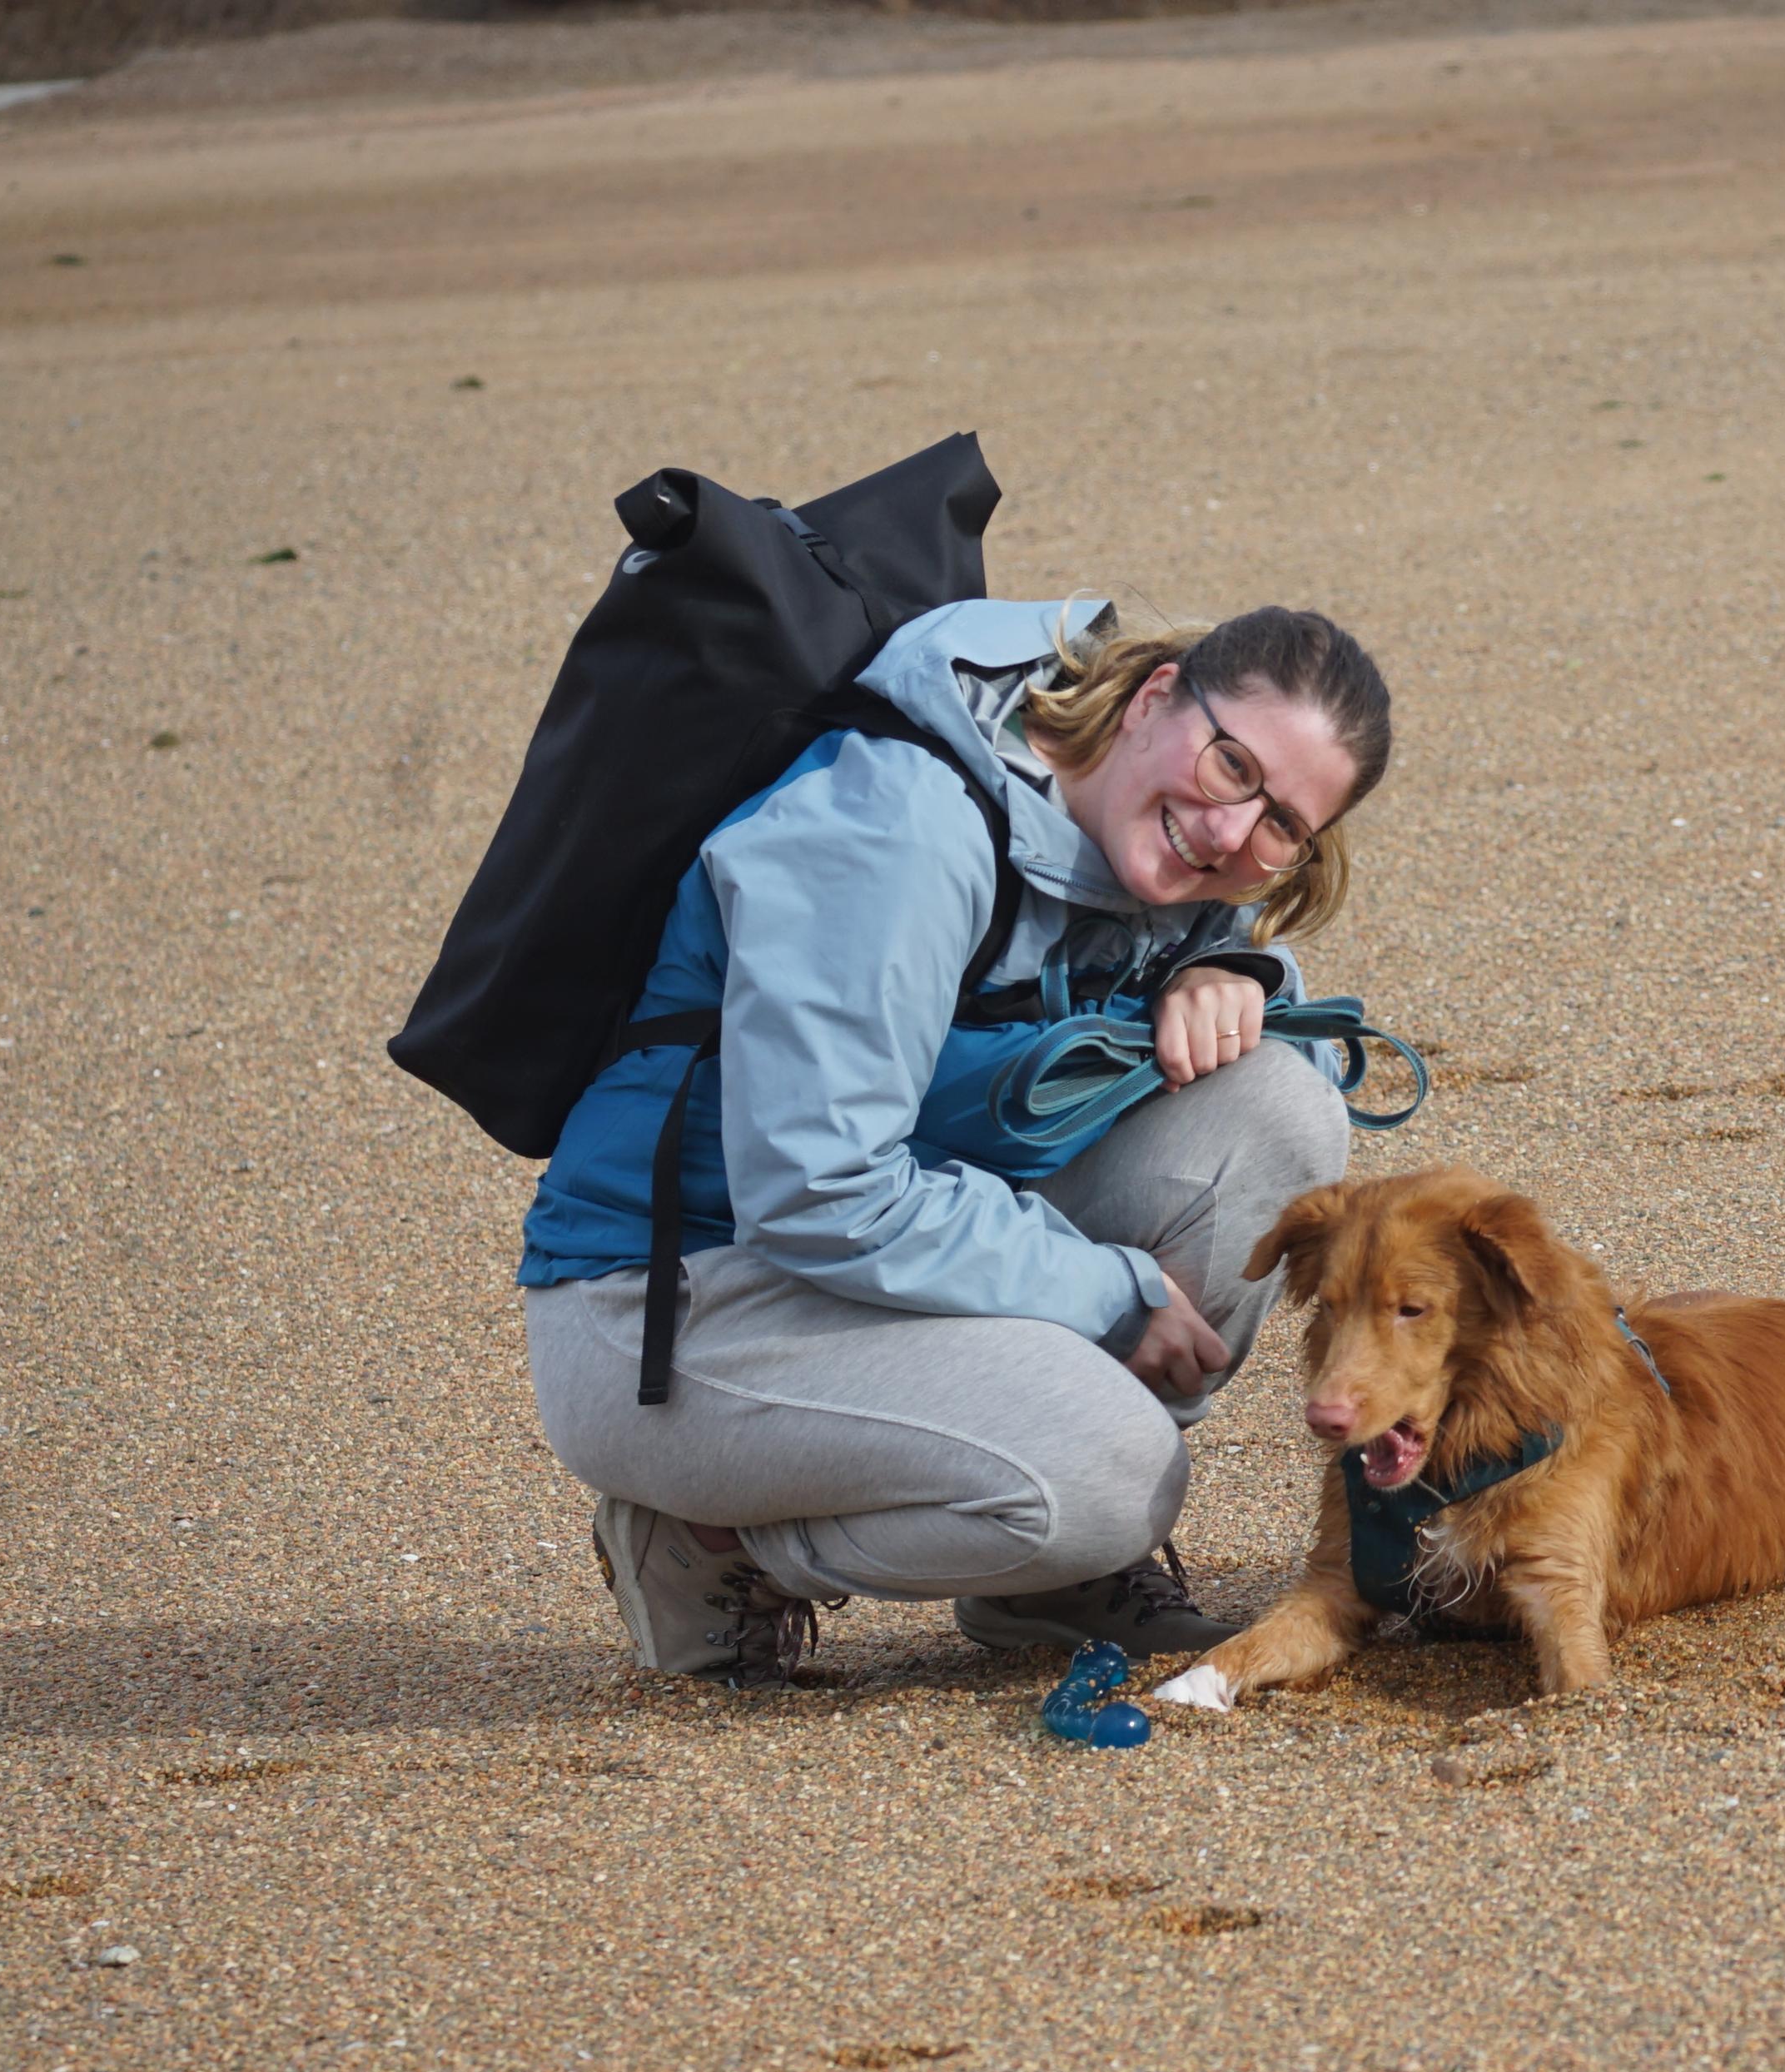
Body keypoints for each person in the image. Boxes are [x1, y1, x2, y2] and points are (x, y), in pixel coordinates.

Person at [515, 595, 1392, 1687]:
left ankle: (1044, 1573)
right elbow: (818, 1192)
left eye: (1282, 827)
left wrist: (1236, 975)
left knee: (1280, 1105)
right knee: (1115, 1473)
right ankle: (709, 1545)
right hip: (668, 1302)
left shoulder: (1150, 855)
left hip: (877, 1266)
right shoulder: (900, 825)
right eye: (1230, 767)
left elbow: (1261, 1074)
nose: (1229, 832)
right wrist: (1102, 1289)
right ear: (1157, 696)